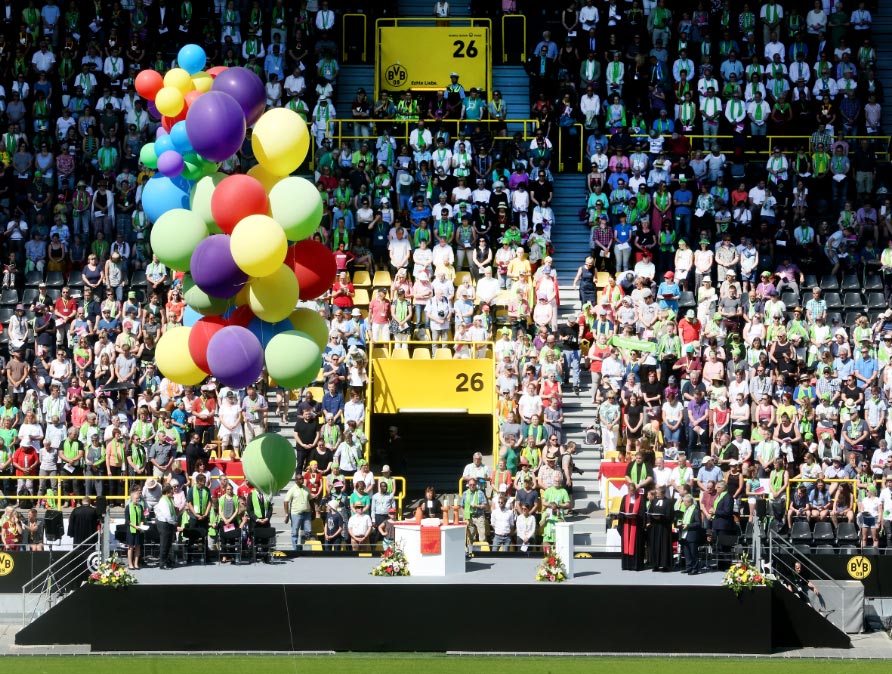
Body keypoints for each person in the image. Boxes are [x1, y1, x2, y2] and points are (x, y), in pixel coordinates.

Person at [619, 485, 647, 571]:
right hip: (626, 524)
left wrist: (636, 516)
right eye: (629, 491)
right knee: (626, 544)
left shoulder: (640, 498)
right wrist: (624, 515)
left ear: (635, 490)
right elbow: (621, 510)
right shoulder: (625, 498)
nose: (631, 493)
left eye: (632, 491)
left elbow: (643, 511)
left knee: (636, 545)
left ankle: (636, 565)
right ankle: (626, 565)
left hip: (636, 525)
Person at [647, 485, 675, 571]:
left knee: (664, 545)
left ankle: (665, 565)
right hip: (655, 527)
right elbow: (650, 512)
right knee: (655, 545)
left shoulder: (668, 502)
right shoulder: (654, 501)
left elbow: (670, 515)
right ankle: (655, 564)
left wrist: (662, 518)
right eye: (656, 494)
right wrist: (650, 519)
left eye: (658, 494)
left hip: (664, 528)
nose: (657, 495)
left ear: (663, 494)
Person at [284, 473, 313, 549]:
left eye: (302, 478)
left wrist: (313, 511)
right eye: (300, 479)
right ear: (296, 481)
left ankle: (305, 548)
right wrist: (287, 514)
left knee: (308, 531)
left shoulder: (306, 488)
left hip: (306, 513)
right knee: (295, 532)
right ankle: (295, 549)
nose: (302, 480)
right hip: (296, 514)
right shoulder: (292, 489)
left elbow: (311, 500)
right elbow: (286, 501)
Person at [154, 483, 178, 569]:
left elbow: (173, 512)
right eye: (171, 492)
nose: (173, 494)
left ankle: (167, 560)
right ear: (167, 493)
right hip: (164, 524)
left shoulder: (170, 500)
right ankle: (162, 562)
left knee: (168, 544)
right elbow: (167, 515)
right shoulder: (163, 501)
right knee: (164, 544)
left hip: (169, 523)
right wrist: (174, 522)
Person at [678, 493, 702, 574]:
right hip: (685, 534)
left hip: (692, 534)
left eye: (685, 502)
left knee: (693, 552)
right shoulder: (686, 509)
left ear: (689, 502)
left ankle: (695, 568)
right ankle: (688, 567)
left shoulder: (695, 510)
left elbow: (698, 523)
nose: (684, 503)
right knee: (687, 552)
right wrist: (681, 524)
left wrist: (688, 526)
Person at [124, 484, 143, 569]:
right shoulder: (128, 507)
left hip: (139, 529)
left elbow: (143, 518)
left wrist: (141, 524)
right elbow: (127, 520)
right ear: (132, 498)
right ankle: (130, 563)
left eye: (138, 498)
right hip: (131, 529)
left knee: (138, 546)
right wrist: (135, 526)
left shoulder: (140, 507)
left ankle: (136, 563)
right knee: (131, 547)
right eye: (136, 498)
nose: (137, 499)